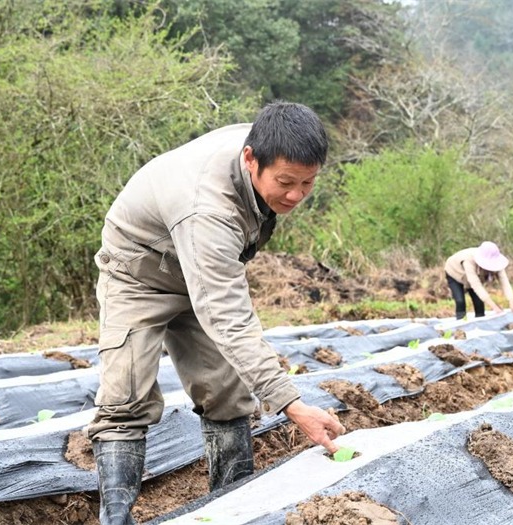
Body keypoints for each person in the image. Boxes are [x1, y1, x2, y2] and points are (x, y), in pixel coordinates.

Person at [87, 101, 346, 525]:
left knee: (227, 392)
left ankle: (232, 507)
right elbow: (229, 318)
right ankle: (116, 518)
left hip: (199, 269)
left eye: (307, 182)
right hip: (139, 272)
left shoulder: (271, 139)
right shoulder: (207, 208)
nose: (296, 194)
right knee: (126, 396)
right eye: (285, 182)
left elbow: (217, 295)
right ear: (251, 160)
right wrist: (292, 405)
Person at [444, 241, 513, 320]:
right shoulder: (469, 261)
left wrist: (512, 302)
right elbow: (476, 285)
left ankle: (480, 325)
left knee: (479, 303)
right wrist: (495, 307)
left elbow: (505, 283)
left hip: (474, 276)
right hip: (454, 272)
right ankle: (460, 327)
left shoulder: (498, 264)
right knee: (460, 301)